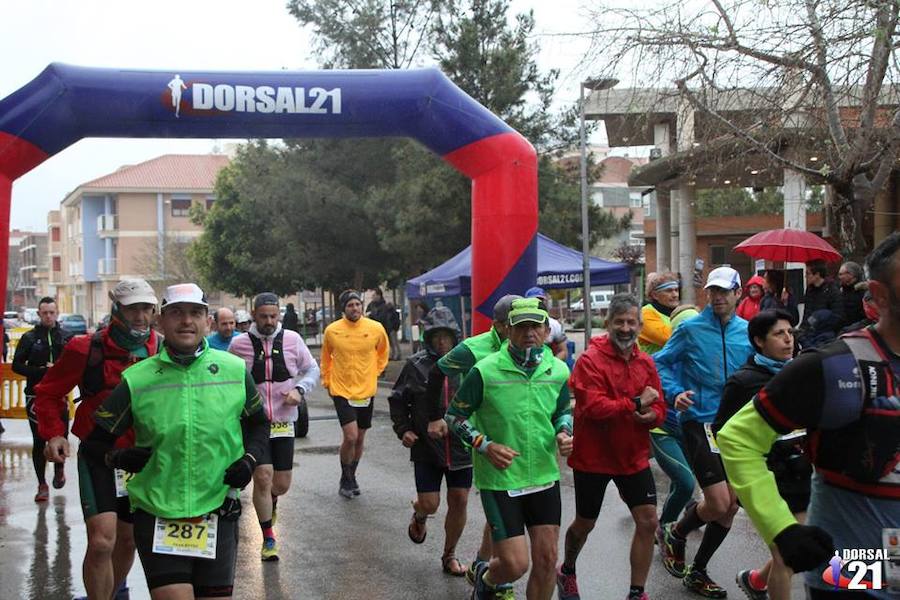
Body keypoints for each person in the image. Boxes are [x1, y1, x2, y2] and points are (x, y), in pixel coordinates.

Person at [719, 232, 900, 600]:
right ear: (879, 295)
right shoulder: (836, 367)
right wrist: (781, 528)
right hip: (858, 564)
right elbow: (737, 438)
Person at [81, 283, 270, 600]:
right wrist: (118, 458)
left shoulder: (234, 370)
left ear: (207, 321)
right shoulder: (138, 378)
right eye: (176, 313)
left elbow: (259, 424)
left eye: (195, 313)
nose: (186, 321)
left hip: (218, 510)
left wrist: (249, 461)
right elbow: (93, 444)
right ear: (160, 322)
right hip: (158, 514)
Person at [37, 279, 161, 600]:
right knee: (102, 541)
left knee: (128, 540)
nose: (140, 316)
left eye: (146, 308)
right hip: (100, 455)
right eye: (133, 308)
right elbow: (48, 393)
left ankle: (112, 591)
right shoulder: (85, 348)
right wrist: (54, 434)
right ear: (116, 309)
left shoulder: (163, 349)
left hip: (143, 458)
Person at [445, 297, 573, 600]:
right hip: (501, 479)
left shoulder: (558, 370)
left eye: (536, 326)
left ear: (545, 330)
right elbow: (454, 416)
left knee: (546, 561)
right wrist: (484, 445)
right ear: (508, 330)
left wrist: (565, 432)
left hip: (543, 474)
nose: (529, 332)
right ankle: (486, 582)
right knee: (515, 565)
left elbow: (562, 410)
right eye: (521, 326)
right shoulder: (485, 371)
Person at [557, 294, 665, 600]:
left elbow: (660, 406)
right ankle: (567, 570)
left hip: (632, 456)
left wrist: (650, 414)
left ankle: (637, 592)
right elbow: (592, 407)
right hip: (594, 457)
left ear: (640, 326)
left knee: (648, 521)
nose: (626, 328)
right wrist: (634, 403)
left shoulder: (645, 362)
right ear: (608, 324)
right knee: (585, 523)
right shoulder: (590, 360)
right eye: (620, 322)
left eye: (632, 322)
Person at [654, 266, 753, 598]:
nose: (718, 297)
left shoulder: (749, 332)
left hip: (738, 427)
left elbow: (761, 369)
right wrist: (674, 393)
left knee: (731, 506)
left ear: (738, 293)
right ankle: (677, 533)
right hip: (700, 421)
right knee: (719, 501)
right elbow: (659, 363)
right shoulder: (692, 329)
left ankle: (698, 571)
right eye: (713, 291)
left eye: (725, 291)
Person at [712, 309, 810, 600]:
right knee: (785, 554)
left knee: (797, 541)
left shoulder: (801, 371)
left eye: (790, 332)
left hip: (802, 470)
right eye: (779, 334)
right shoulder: (744, 382)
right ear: (758, 340)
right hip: (767, 477)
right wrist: (731, 478)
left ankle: (756, 581)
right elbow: (720, 432)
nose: (788, 339)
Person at [426, 294, 522, 585]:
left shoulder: (532, 348)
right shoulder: (473, 348)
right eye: (513, 324)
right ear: (498, 325)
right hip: (482, 442)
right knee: (506, 510)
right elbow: (436, 372)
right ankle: (497, 579)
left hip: (518, 439)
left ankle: (482, 564)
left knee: (505, 511)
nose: (522, 330)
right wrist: (435, 416)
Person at [228, 292, 319, 560]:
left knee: (280, 484)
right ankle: (268, 539)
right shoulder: (238, 345)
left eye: (273, 316)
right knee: (263, 477)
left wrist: (300, 390)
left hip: (284, 421)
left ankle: (272, 502)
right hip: (255, 423)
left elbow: (313, 369)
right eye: (264, 316)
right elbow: (227, 379)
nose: (269, 321)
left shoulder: (293, 340)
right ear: (253, 315)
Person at [388, 306, 472, 576]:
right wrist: (404, 430)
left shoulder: (469, 363)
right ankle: (420, 515)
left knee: (459, 499)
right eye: (435, 336)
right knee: (431, 503)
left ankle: (449, 555)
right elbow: (398, 400)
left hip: (461, 447)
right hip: (427, 448)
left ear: (455, 336)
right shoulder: (416, 364)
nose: (441, 341)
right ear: (428, 337)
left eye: (446, 336)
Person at [321, 289, 389, 499]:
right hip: (341, 390)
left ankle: (351, 476)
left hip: (366, 390)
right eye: (350, 305)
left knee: (359, 439)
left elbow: (383, 353)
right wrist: (328, 382)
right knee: (350, 436)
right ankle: (345, 476)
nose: (355, 308)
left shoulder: (375, 328)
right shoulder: (332, 330)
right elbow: (326, 359)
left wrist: (374, 372)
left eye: (358, 304)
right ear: (343, 309)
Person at [12, 296, 73, 502]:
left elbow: (76, 365)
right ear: (39, 314)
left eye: (52, 312)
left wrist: (58, 372)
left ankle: (59, 469)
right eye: (44, 313)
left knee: (61, 437)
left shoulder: (66, 337)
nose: (48, 316)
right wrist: (39, 372)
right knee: (39, 440)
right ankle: (41, 484)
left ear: (57, 313)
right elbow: (16, 366)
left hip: (59, 396)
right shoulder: (29, 337)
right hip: (35, 396)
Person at [798, 259, 843, 336]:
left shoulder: (832, 290)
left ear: (817, 275)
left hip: (825, 335)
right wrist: (802, 329)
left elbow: (837, 316)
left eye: (808, 273)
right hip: (809, 332)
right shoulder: (810, 290)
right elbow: (807, 313)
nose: (805, 276)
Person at [638, 272, 680, 354]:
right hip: (652, 366)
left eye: (676, 290)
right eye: (669, 291)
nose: (675, 295)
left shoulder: (678, 312)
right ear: (655, 295)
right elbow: (669, 339)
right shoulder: (646, 313)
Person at [524, 287, 568, 361]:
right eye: (533, 301)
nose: (537, 304)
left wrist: (551, 365)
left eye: (541, 301)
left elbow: (563, 351)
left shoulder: (554, 324)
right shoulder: (519, 325)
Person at [837, 261, 867, 329]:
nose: (839, 277)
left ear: (851, 274)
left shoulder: (864, 293)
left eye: (841, 274)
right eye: (839, 274)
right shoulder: (841, 291)